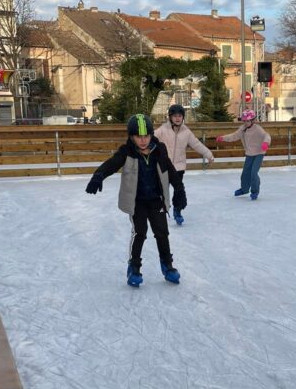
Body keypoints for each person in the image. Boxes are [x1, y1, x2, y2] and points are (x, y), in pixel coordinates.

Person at [85, 113, 183, 287]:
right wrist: (98, 175)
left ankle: (167, 265)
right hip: (137, 202)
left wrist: (179, 189)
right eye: (139, 137)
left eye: (146, 136)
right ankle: (134, 267)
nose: (143, 140)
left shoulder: (159, 149)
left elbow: (170, 169)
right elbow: (112, 163)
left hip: (156, 200)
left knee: (162, 233)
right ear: (131, 137)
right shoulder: (127, 152)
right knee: (140, 232)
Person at [154, 103, 214, 226]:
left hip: (179, 167)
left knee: (178, 189)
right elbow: (151, 138)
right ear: (170, 117)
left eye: (180, 116)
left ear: (183, 117)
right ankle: (157, 210)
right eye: (175, 116)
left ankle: (177, 210)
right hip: (164, 165)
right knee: (161, 189)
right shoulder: (163, 130)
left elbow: (196, 144)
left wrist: (208, 154)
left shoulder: (186, 132)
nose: (177, 118)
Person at [216, 110, 271, 200]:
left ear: (253, 120)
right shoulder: (242, 129)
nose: (245, 123)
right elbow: (234, 136)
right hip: (249, 153)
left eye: (248, 121)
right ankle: (244, 189)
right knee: (245, 173)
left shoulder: (258, 129)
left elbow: (267, 135)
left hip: (259, 153)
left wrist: (265, 143)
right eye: (244, 121)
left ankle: (255, 191)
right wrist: (223, 138)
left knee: (253, 173)